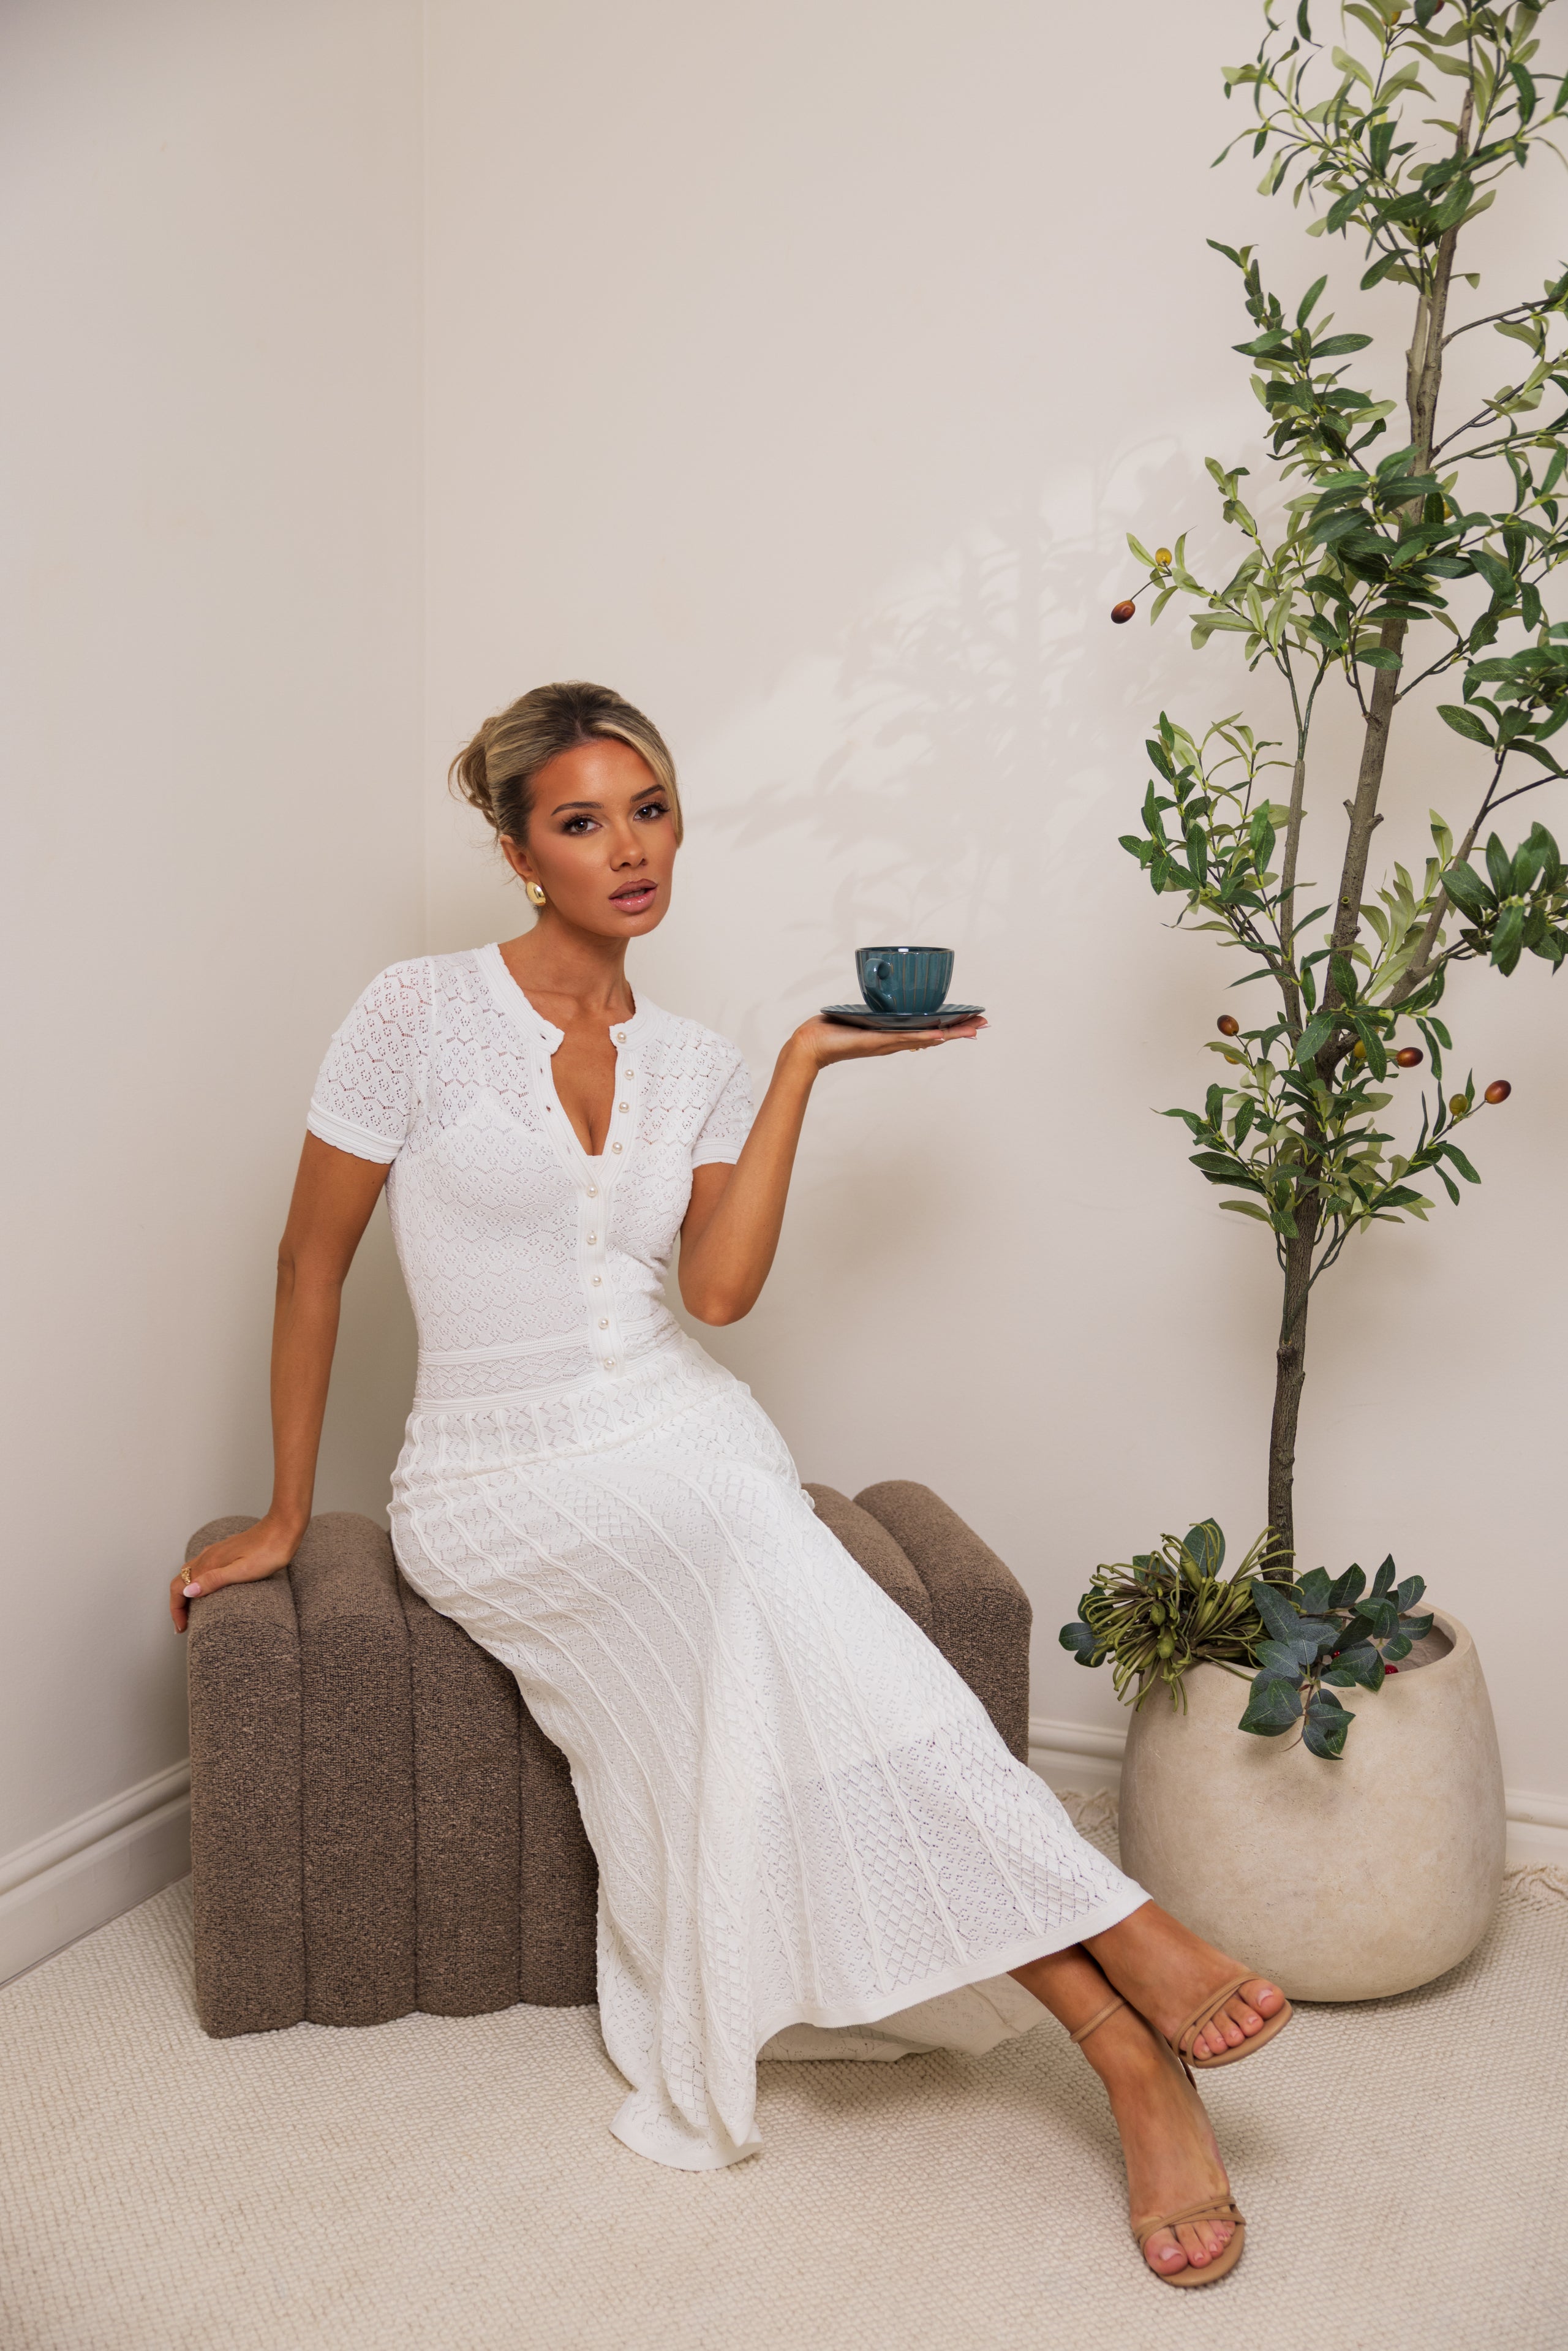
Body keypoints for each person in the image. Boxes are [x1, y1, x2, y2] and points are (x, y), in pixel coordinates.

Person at [170, 682, 1289, 2284]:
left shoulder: (693, 1059)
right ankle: (1120, 1949)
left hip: (682, 1431)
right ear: (515, 849)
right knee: (765, 1566)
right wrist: (282, 1509)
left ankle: (1124, 2051)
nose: (627, 848)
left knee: (756, 1550)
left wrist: (803, 1065)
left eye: (650, 810)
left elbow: (716, 1296)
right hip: (493, 1482)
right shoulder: (410, 1014)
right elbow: (306, 1265)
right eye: (580, 821)